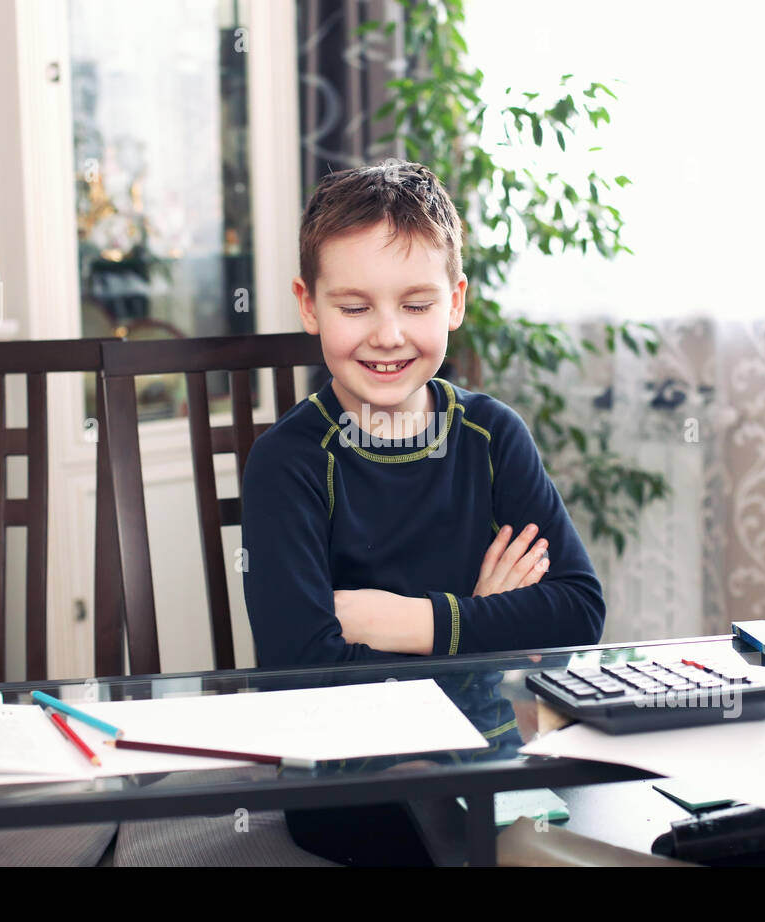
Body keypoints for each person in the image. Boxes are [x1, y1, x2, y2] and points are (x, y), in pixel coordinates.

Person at [240, 160, 606, 865]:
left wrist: (395, 619)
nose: (387, 335)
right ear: (309, 305)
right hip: (345, 783)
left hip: (485, 756)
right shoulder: (287, 462)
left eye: (415, 304)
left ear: (455, 301)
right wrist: (480, 617)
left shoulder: (493, 436)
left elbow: (577, 611)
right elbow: (301, 665)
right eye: (354, 307)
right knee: (467, 831)